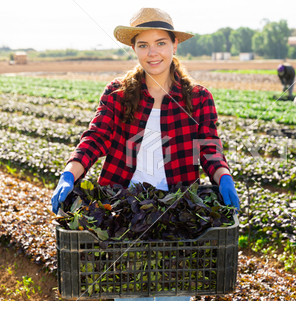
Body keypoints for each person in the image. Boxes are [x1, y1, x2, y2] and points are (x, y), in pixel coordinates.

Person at [51, 8, 240, 300]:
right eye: (143, 45)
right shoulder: (118, 93)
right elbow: (96, 137)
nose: (153, 53)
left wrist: (223, 176)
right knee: (126, 294)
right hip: (123, 211)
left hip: (177, 211)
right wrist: (70, 172)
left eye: (160, 43)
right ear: (134, 48)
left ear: (174, 44)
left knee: (173, 296)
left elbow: (209, 146)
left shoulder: (197, 97)